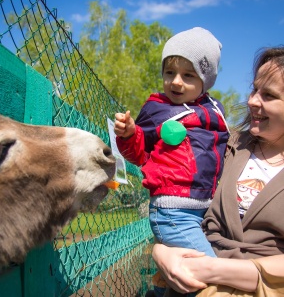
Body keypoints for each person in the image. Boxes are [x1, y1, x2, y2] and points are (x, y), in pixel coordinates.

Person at [152, 46, 284, 297]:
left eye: (268, 95)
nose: (252, 100)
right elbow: (179, 203)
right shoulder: (223, 144)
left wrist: (214, 270)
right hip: (190, 280)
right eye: (254, 89)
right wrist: (161, 252)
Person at [113, 27, 229, 297]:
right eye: (169, 73)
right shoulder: (158, 109)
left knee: (184, 283)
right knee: (209, 277)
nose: (176, 82)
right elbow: (139, 151)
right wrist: (130, 134)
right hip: (173, 211)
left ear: (205, 81)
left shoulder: (215, 112)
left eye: (188, 75)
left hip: (203, 209)